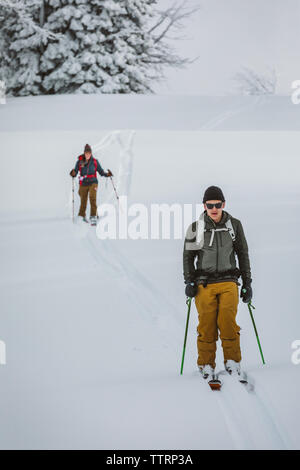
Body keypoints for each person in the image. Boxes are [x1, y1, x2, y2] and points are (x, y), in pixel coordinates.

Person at [183, 185, 252, 380]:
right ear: (204, 205)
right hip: (203, 284)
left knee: (228, 322)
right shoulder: (195, 228)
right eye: (210, 205)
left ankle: (232, 361)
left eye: (218, 204)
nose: (214, 208)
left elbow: (243, 254)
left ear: (224, 204)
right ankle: (206, 364)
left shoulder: (235, 225)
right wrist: (189, 281)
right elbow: (188, 256)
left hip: (229, 281)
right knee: (206, 326)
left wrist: (247, 283)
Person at [70, 144, 113, 224]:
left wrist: (107, 174)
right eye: (86, 153)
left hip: (93, 182)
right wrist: (73, 173)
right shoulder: (79, 162)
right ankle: (82, 216)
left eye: (89, 153)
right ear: (84, 153)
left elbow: (101, 172)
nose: (87, 155)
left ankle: (93, 216)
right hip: (83, 183)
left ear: (91, 153)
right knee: (83, 200)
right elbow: (75, 172)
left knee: (92, 197)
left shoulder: (95, 162)